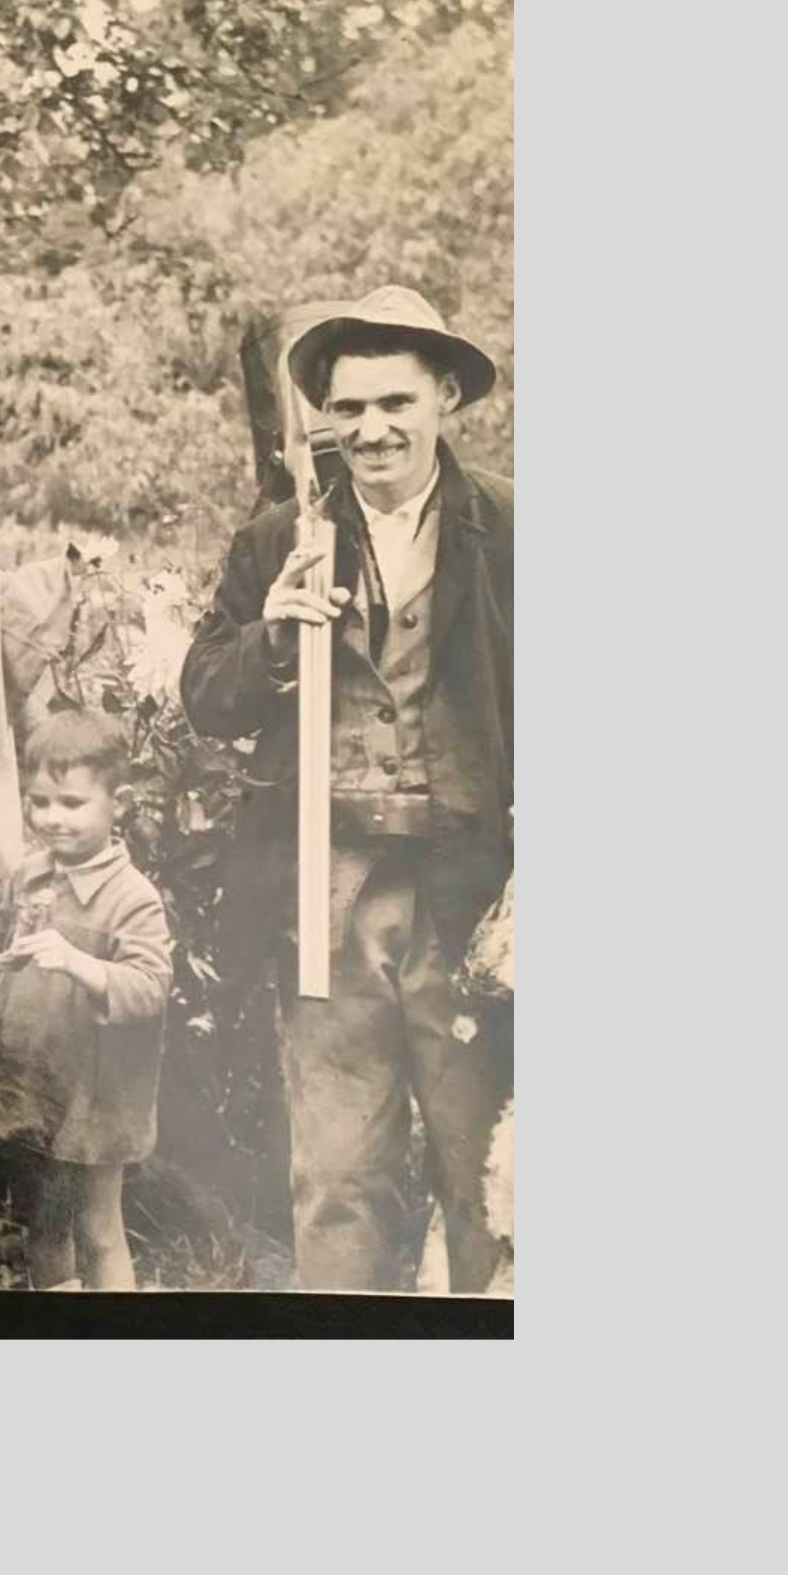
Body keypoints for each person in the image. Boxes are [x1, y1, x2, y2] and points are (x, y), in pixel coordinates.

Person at [179, 284, 513, 1293]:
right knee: (333, 1176)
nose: (370, 430)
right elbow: (205, 696)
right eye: (349, 408)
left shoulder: (511, 527)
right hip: (322, 900)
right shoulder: (280, 537)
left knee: (487, 1175)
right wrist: (271, 636)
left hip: (470, 902)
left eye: (394, 404)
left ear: (443, 397)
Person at [0, 710, 173, 1291]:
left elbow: (150, 987)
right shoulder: (28, 877)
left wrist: (79, 963)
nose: (51, 819)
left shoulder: (131, 898)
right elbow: (1, 955)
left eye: (71, 803)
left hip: (95, 1100)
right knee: (43, 1222)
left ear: (120, 802)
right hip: (33, 1085)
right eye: (39, 802)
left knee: (97, 1228)